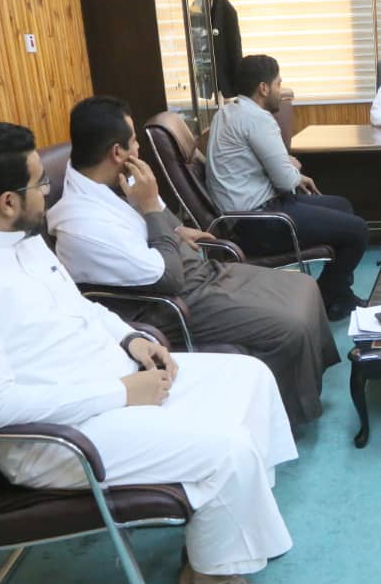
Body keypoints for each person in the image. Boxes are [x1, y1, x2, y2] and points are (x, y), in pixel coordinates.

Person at [0, 122, 296, 584]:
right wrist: (123, 392)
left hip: (110, 384)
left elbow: (81, 306)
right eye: (40, 183)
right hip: (55, 438)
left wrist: (131, 338)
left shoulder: (21, 240)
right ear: (7, 202)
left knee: (250, 377)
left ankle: (226, 532)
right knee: (228, 448)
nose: (48, 192)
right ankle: (206, 582)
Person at [47, 96, 339, 428]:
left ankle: (308, 381)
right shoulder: (84, 224)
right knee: (289, 326)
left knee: (303, 284)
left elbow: (166, 221)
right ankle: (283, 416)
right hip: (174, 300)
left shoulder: (115, 182)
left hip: (194, 272)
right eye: (135, 141)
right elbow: (168, 279)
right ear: (117, 153)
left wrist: (170, 226)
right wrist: (152, 211)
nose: (139, 148)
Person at [205, 55, 369, 320]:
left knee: (342, 206)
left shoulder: (227, 112)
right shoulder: (257, 118)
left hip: (248, 212)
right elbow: (285, 180)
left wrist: (289, 169)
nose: (280, 91)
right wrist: (291, 168)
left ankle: (340, 294)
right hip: (259, 222)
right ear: (263, 88)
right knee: (358, 231)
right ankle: (325, 296)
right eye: (278, 84)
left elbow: (266, 166)